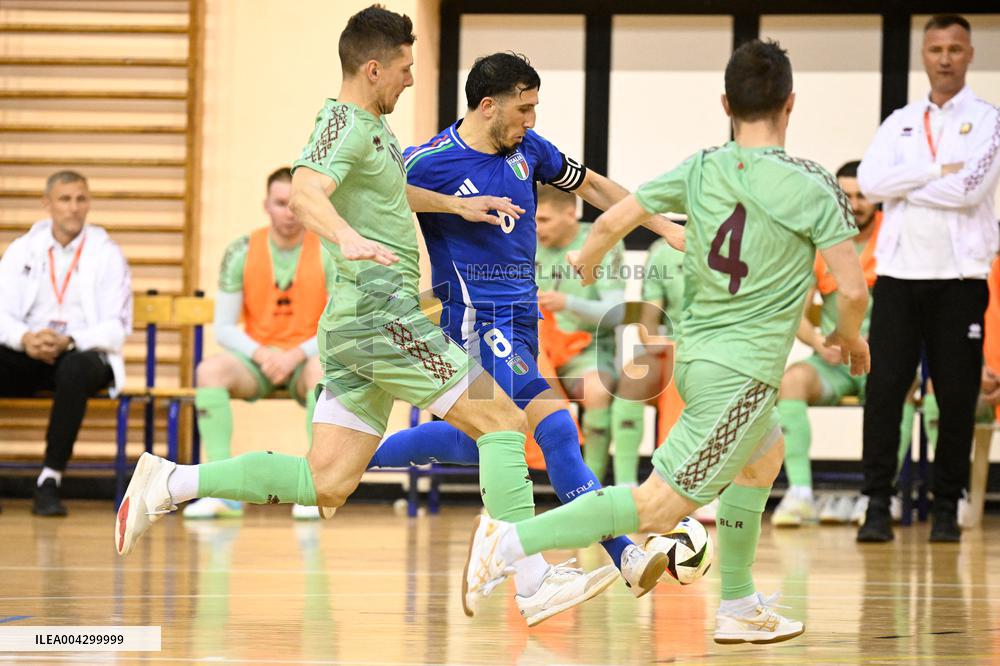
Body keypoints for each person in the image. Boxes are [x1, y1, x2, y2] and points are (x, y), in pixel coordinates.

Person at [462, 39, 870, 646]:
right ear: (791, 104)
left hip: (701, 362)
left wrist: (587, 259)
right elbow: (855, 290)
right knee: (658, 508)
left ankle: (738, 602)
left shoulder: (700, 167)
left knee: (762, 459)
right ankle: (511, 539)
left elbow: (611, 218)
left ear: (726, 102)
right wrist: (849, 339)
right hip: (742, 373)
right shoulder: (813, 183)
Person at [115, 7, 531, 564]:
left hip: (363, 323)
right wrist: (345, 237)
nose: (412, 78)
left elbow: (388, 194)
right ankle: (528, 574)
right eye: (406, 68)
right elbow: (305, 191)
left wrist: (456, 205)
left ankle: (170, 483)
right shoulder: (341, 124)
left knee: (326, 481)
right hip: (379, 316)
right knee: (503, 419)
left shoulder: (374, 125)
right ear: (375, 68)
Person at [366, 52, 685, 622]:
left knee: (476, 445)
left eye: (536, 107)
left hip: (520, 322)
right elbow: (371, 187)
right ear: (488, 106)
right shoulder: (434, 158)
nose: (532, 120)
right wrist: (455, 207)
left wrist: (663, 226)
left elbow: (596, 188)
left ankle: (351, 457)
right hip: (474, 321)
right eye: (524, 108)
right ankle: (622, 554)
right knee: (556, 425)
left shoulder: (528, 152)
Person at [856, 14, 1000, 543]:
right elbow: (869, 184)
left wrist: (906, 182)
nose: (945, 58)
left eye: (955, 49)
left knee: (957, 396)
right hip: (898, 276)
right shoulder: (900, 121)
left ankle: (946, 508)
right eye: (936, 48)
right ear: (923, 55)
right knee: (884, 391)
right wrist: (934, 171)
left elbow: (969, 190)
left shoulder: (988, 119)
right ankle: (875, 505)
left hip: (959, 280)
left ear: (969, 54)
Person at [183, 167, 334, 521]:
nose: (289, 212)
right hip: (259, 362)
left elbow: (338, 325)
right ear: (266, 205)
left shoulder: (328, 250)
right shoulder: (241, 250)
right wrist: (263, 353)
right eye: (281, 203)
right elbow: (224, 328)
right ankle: (221, 492)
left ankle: (311, 489)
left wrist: (296, 353)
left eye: (295, 204)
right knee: (209, 371)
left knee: (324, 371)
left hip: (306, 359)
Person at [0, 170, 132, 516]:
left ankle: (50, 479)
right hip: (30, 351)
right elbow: (2, 314)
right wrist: (25, 338)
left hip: (82, 354)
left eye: (81, 199)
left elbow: (116, 327)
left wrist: (70, 340)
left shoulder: (106, 253)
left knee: (75, 368)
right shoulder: (22, 250)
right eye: (65, 199)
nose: (74, 208)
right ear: (47, 204)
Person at [773, 160, 891, 526]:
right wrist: (818, 342)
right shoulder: (822, 240)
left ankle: (879, 497)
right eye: (846, 195)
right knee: (790, 381)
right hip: (834, 362)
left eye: (862, 196)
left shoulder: (895, 237)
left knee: (896, 389)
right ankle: (801, 494)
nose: (854, 203)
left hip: (883, 358)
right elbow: (794, 311)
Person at [535, 185, 625, 483]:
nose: (535, 228)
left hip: (584, 354)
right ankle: (509, 492)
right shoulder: (524, 241)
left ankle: (589, 489)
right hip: (536, 354)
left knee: (597, 390)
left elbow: (616, 313)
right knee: (498, 395)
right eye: (533, 219)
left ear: (570, 213)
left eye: (543, 220)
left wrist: (567, 303)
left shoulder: (602, 243)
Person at [610, 232, 686, 488]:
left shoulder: (737, 245)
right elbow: (648, 321)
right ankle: (626, 488)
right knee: (633, 376)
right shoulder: (663, 251)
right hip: (676, 349)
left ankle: (690, 484)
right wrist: (653, 340)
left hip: (718, 353)